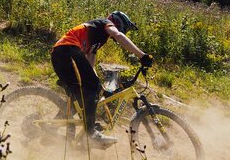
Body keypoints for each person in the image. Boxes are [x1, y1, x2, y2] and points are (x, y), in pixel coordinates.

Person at [51, 11, 153, 145]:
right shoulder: (105, 23)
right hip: (67, 49)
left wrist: (100, 86)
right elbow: (118, 35)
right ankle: (91, 132)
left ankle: (51, 128)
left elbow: (89, 63)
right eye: (124, 29)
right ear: (118, 23)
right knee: (92, 86)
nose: (124, 32)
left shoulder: (97, 41)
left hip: (60, 54)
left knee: (81, 96)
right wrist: (142, 56)